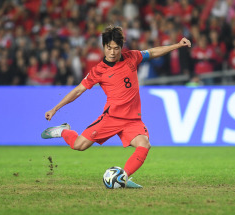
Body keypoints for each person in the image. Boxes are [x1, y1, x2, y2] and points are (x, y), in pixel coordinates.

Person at [41, 25, 191, 188]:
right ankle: (63, 130)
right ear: (104, 47)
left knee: (144, 144)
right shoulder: (98, 70)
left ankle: (123, 177)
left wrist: (177, 45)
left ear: (121, 48)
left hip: (132, 120)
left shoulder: (132, 57)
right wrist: (55, 108)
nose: (112, 52)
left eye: (116, 48)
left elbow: (152, 52)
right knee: (79, 145)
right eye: (109, 48)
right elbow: (78, 90)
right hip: (111, 118)